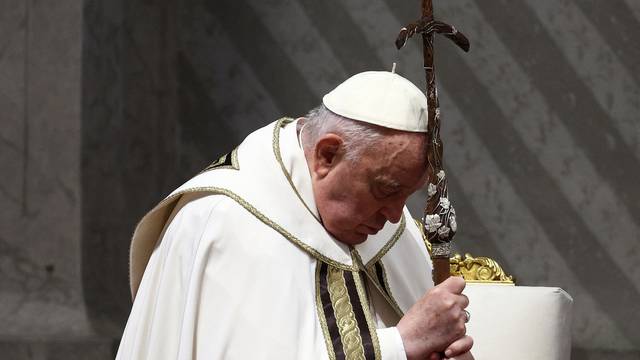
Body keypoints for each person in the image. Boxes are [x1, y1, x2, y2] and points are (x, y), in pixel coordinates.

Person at [116, 71, 473, 360]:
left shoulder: (386, 229)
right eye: (385, 190)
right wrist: (399, 346)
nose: (396, 217)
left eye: (405, 196)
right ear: (327, 156)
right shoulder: (226, 222)